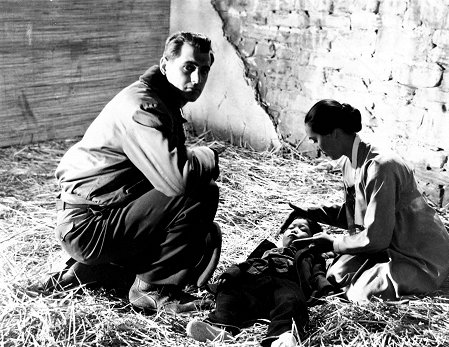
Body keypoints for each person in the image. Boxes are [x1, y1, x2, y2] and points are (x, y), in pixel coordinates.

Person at [43, 31, 222, 313]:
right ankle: (152, 290)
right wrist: (207, 156)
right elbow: (177, 181)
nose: (197, 79)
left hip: (97, 216)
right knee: (200, 191)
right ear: (165, 65)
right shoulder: (145, 108)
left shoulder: (160, 99)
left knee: (204, 235)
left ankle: (91, 272)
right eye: (189, 68)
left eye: (204, 70)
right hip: (90, 227)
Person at [283, 98, 449, 303]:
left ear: (335, 133)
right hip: (387, 243)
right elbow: (357, 212)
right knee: (335, 276)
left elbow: (376, 238)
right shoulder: (349, 162)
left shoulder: (381, 166)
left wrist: (333, 243)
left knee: (360, 295)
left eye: (315, 139)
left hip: (417, 252)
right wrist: (311, 212)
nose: (316, 147)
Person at [186, 217, 334, 347]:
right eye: (291, 228)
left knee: (291, 299)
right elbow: (247, 263)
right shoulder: (267, 249)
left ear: (312, 238)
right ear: (283, 235)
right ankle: (221, 327)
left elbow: (318, 274)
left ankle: (284, 335)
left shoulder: (310, 255)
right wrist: (231, 273)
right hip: (255, 280)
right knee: (231, 290)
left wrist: (326, 288)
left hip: (286, 281)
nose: (294, 231)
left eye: (303, 229)